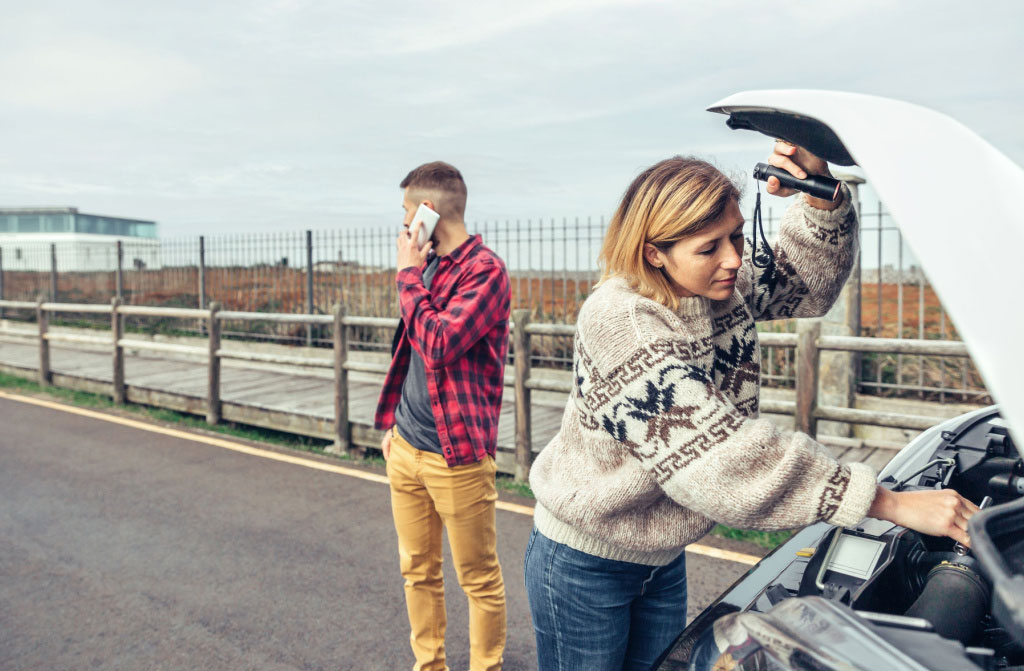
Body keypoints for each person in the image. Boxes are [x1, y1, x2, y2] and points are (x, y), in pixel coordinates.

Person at [524, 142, 979, 671]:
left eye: (737, 236)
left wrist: (822, 199)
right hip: (585, 561)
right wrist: (890, 503)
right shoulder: (621, 321)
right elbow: (717, 460)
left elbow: (804, 285)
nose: (734, 259)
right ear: (654, 252)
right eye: (709, 246)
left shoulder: (713, 286)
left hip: (661, 556)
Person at [375, 161, 510, 671]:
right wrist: (394, 424)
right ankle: (428, 667)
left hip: (456, 456)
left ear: (428, 211)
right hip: (406, 448)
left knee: (477, 578)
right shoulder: (428, 264)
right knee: (417, 571)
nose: (405, 225)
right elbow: (409, 351)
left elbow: (438, 343)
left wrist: (408, 273)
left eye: (408, 212)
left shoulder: (486, 272)